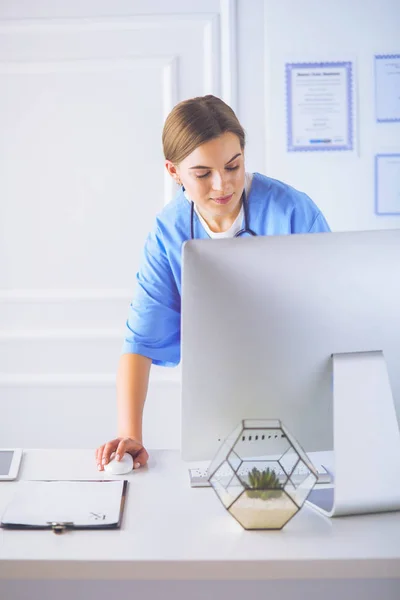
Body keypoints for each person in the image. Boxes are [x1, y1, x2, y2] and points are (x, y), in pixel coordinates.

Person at [95, 95, 330, 471]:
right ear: (174, 172)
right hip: (218, 407)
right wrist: (131, 435)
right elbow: (139, 343)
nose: (222, 184)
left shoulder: (293, 212)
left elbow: (336, 313)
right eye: (202, 174)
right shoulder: (169, 232)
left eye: (233, 166)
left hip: (305, 392)